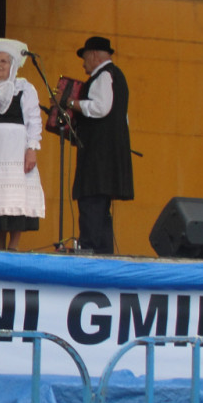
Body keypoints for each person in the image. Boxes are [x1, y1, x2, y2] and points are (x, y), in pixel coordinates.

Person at [0, 38, 45, 251]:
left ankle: (13, 247)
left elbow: (34, 120)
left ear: (12, 64)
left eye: (3, 61)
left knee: (14, 198)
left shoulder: (23, 88)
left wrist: (31, 149)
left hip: (14, 153)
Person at [66, 36, 133, 254]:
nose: (83, 64)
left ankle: (90, 250)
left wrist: (71, 103)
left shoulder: (104, 76)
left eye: (85, 58)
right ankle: (103, 254)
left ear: (94, 55)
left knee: (91, 201)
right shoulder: (117, 77)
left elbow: (101, 108)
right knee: (101, 208)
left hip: (98, 156)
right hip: (108, 154)